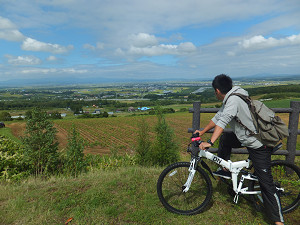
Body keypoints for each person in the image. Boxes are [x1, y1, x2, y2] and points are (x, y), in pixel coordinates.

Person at [194, 74, 284, 225]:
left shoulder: (233, 100)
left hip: (258, 144)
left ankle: (278, 221)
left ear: (217, 90)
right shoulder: (233, 95)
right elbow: (218, 116)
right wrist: (202, 132)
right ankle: (225, 170)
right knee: (226, 139)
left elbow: (223, 121)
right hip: (246, 137)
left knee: (266, 184)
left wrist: (210, 141)